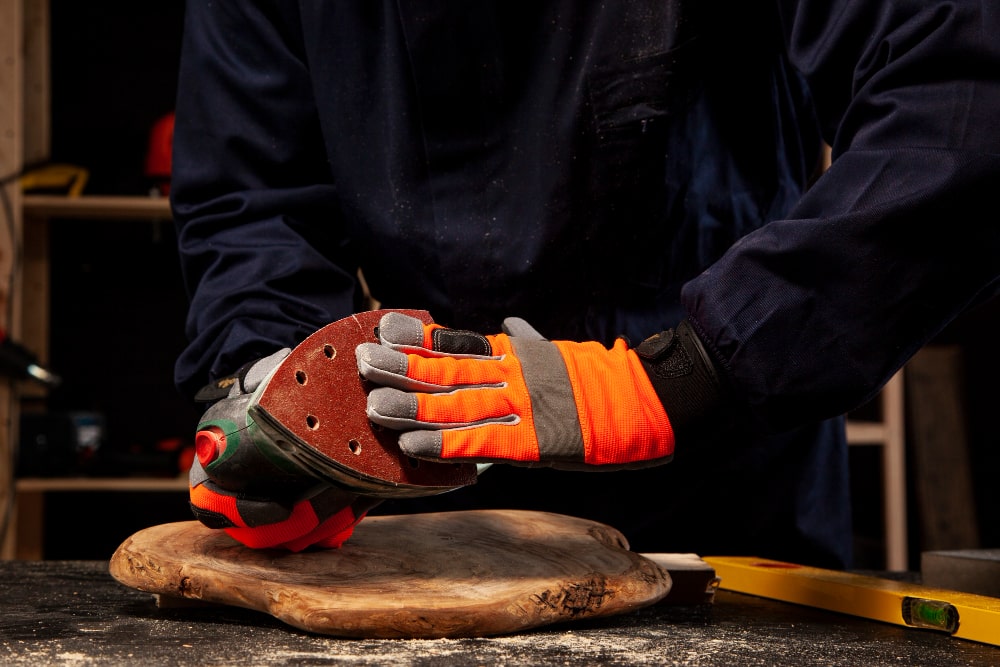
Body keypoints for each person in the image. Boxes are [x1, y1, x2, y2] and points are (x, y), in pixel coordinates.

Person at [170, 1, 1000, 569]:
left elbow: (966, 102)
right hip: (423, 497)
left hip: (726, 488)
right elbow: (251, 199)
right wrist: (275, 385)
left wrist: (686, 376)